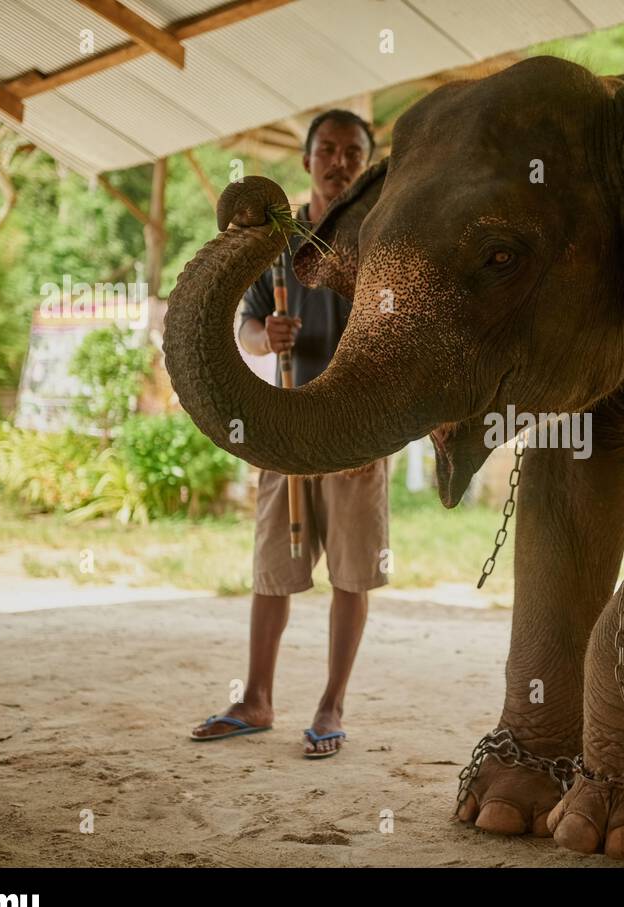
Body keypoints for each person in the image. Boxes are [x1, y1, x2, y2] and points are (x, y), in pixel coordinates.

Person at [190, 109, 387, 758]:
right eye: (327, 149)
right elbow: (244, 326)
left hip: (359, 428)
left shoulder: (382, 234)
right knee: (273, 566)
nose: (339, 160)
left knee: (353, 573)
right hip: (285, 422)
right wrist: (261, 337)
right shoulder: (280, 235)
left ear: (368, 159)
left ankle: (331, 707)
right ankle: (256, 696)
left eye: (352, 151)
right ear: (307, 161)